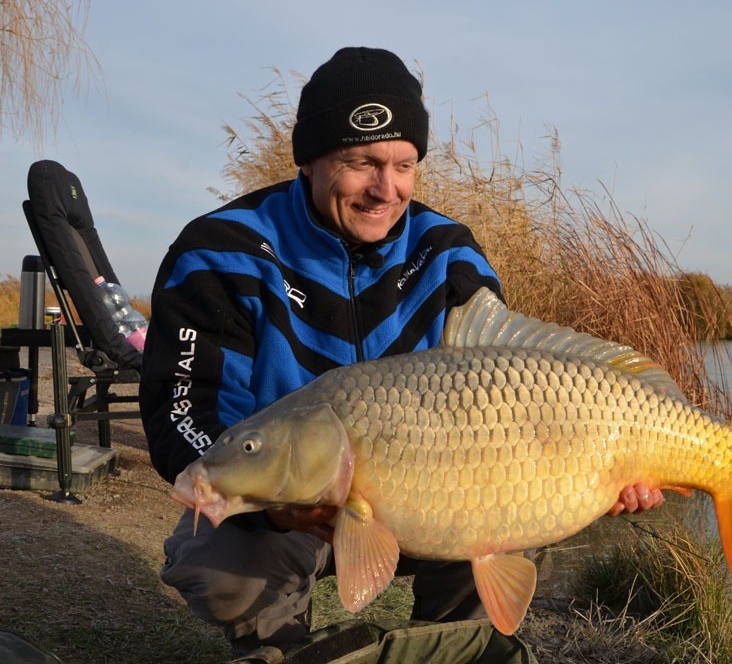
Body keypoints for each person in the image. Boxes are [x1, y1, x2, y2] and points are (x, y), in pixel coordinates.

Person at [140, 46, 662, 656]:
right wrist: (272, 509)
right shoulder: (220, 251)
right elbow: (184, 415)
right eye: (361, 161)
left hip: (431, 498)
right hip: (286, 498)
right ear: (308, 159)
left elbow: (505, 381)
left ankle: (451, 645)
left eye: (404, 165)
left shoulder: (447, 253)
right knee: (221, 558)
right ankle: (278, 646)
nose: (384, 190)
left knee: (507, 506)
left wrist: (609, 470)